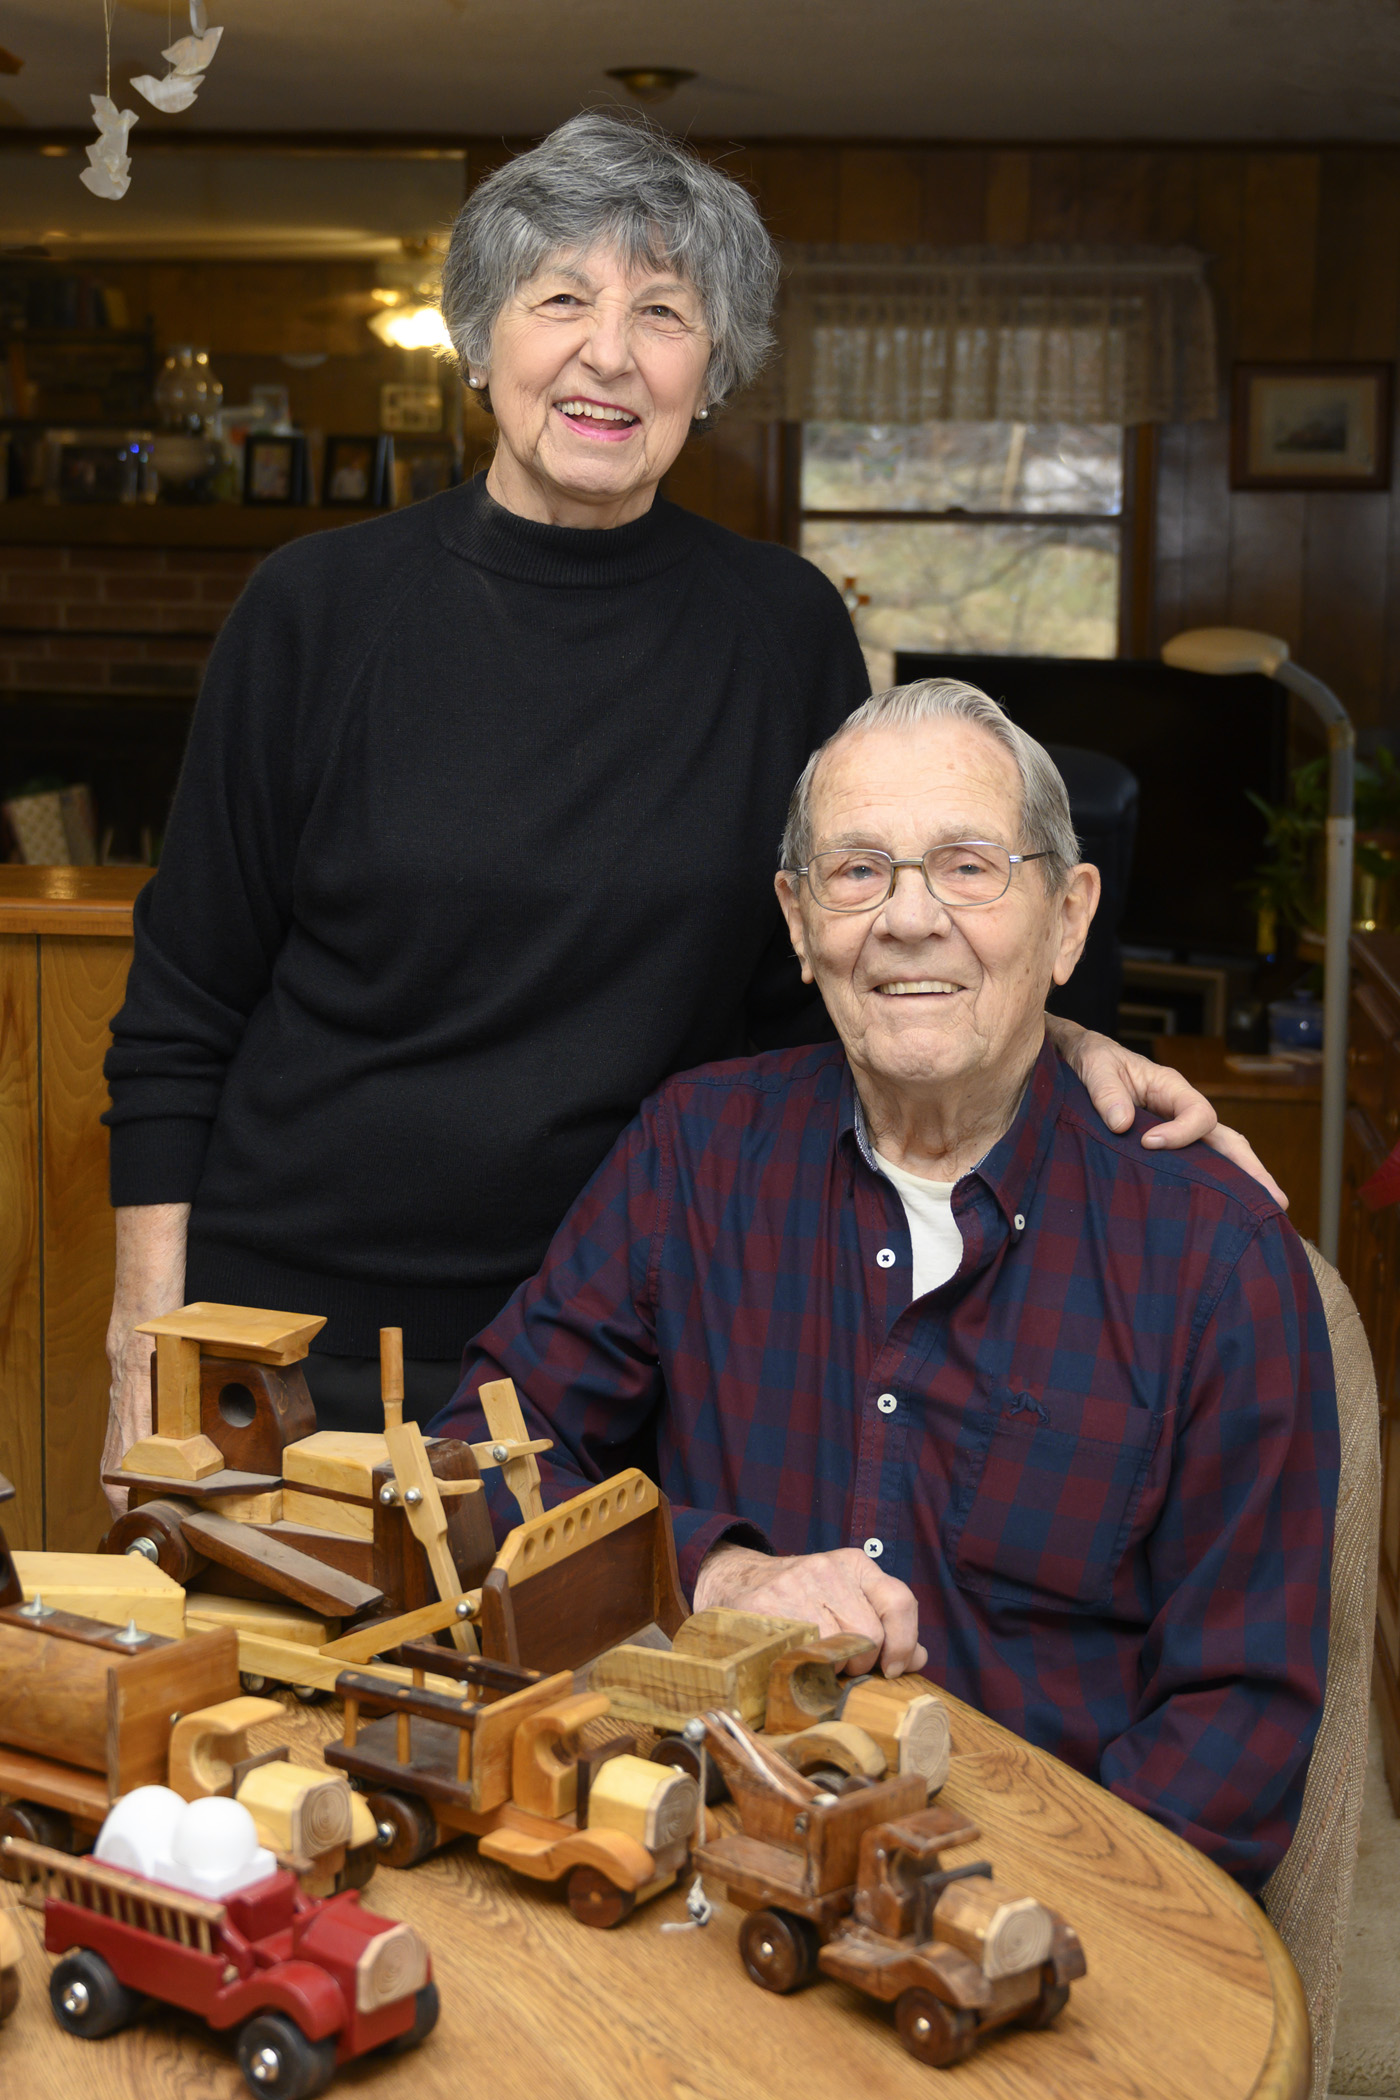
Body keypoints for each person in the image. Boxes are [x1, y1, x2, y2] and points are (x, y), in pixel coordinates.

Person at [103, 111, 1263, 1496]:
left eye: (664, 311)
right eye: (562, 300)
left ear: (710, 370)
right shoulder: (314, 611)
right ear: (481, 343)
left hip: (641, 1339)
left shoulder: (781, 630)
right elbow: (183, 1012)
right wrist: (144, 1351)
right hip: (300, 1343)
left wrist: (1064, 1045)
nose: (610, 351)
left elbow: (860, 936)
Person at [431, 679, 1338, 1890]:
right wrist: (719, 1571)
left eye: (968, 866)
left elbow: (1236, 1716)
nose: (909, 919)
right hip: (696, 1866)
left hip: (1035, 1919)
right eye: (856, 873)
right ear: (799, 924)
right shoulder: (692, 1158)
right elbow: (477, 1464)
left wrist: (1028, 1926)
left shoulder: (1215, 1258)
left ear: (1066, 919)